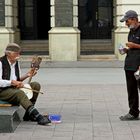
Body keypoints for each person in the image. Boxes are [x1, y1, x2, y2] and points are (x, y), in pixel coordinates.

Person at [0, 43, 51, 125]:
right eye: (16, 53)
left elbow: (18, 79)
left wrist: (28, 75)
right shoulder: (1, 62)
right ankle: (38, 116)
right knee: (20, 93)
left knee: (35, 85)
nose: (18, 55)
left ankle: (28, 115)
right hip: (2, 91)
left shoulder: (16, 63)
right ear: (8, 53)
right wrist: (12, 82)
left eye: (19, 53)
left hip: (13, 88)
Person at [119, 10, 140, 120]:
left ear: (134, 19)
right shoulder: (131, 30)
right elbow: (133, 47)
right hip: (130, 65)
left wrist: (134, 45)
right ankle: (133, 112)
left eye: (127, 21)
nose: (125, 24)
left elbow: (136, 46)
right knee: (131, 90)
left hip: (139, 66)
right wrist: (127, 49)